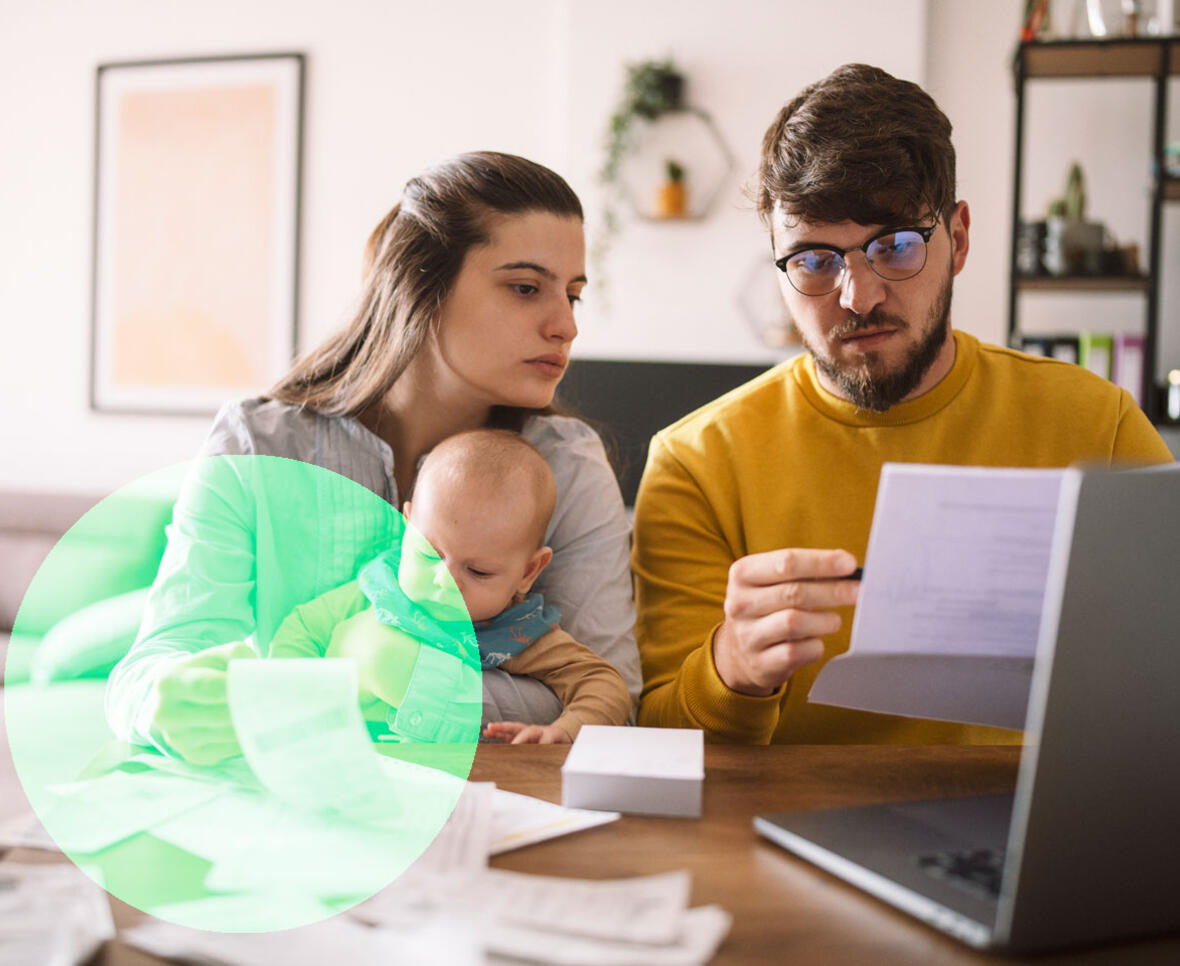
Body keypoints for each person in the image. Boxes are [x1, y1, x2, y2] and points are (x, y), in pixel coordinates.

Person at [631, 64, 1173, 746]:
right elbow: (656, 745)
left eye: (895, 246)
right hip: (780, 837)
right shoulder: (695, 463)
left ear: (961, 240)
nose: (858, 297)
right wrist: (731, 669)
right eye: (814, 260)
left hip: (1029, 828)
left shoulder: (1100, 425)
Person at [106, 152, 639, 765]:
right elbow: (148, 671)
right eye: (525, 288)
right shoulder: (259, 445)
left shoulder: (565, 465)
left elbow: (612, 697)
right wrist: (167, 704)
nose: (566, 325)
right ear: (421, 288)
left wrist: (383, 683)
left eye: (572, 294)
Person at [268, 428, 631, 744]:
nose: (444, 581)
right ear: (407, 524)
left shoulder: (517, 632)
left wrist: (566, 730)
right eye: (429, 554)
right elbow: (301, 629)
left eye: (478, 571)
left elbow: (603, 684)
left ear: (528, 571)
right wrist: (294, 703)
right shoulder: (379, 587)